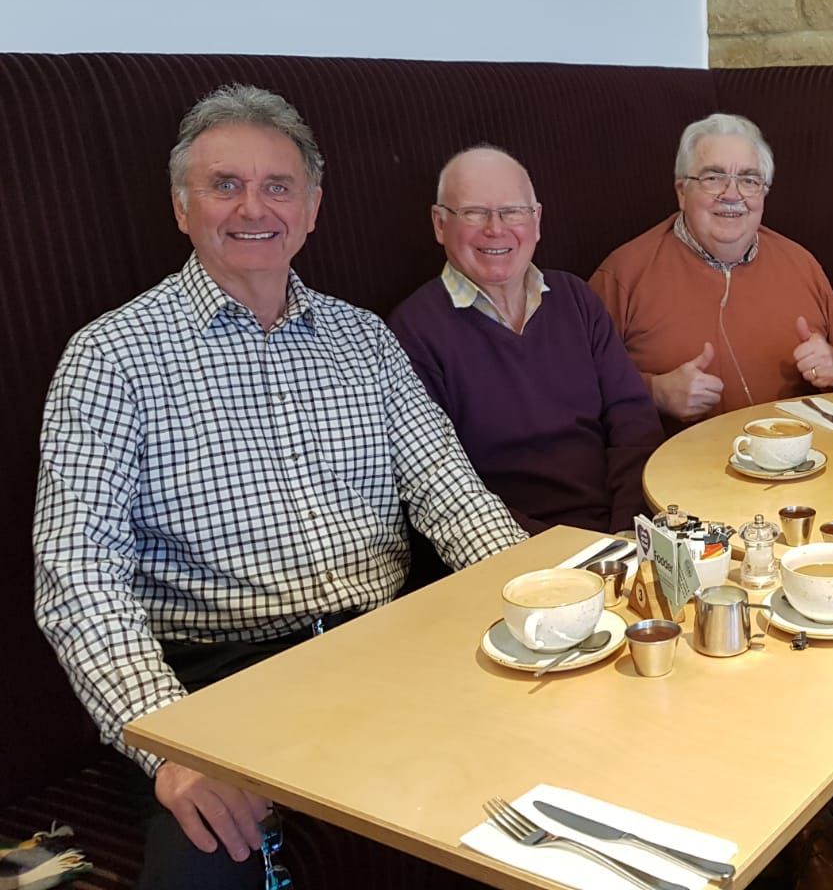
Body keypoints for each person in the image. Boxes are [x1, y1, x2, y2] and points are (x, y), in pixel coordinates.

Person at [33, 85, 527, 890]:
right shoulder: (111, 358)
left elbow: (452, 495)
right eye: (224, 185)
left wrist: (539, 600)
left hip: (390, 650)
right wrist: (170, 747)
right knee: (202, 866)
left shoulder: (363, 338)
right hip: (224, 686)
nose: (252, 208)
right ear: (181, 207)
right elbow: (77, 580)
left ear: (312, 208)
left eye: (277, 187)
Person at [388, 145, 662, 535]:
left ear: (536, 221)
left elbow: (633, 424)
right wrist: (560, 553)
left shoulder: (576, 298)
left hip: (619, 534)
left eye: (512, 211)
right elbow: (443, 490)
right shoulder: (411, 332)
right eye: (473, 212)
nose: (496, 229)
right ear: (439, 223)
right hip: (507, 551)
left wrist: (629, 531)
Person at [591, 113, 833, 427]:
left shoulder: (801, 263)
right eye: (713, 177)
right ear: (682, 192)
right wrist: (654, 393)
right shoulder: (623, 274)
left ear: (763, 192)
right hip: (674, 468)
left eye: (749, 180)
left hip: (804, 462)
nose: (732, 195)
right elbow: (572, 384)